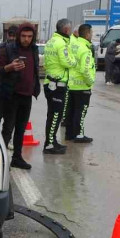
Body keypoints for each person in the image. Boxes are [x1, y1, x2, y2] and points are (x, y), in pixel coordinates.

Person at [0, 23, 41, 170]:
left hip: (27, 95)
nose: (26, 39)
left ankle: (17, 158)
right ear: (19, 35)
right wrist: (9, 67)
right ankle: (0, 159)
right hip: (11, 94)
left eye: (29, 36)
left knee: (21, 129)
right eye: (24, 36)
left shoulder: (34, 49)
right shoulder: (6, 49)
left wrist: (34, 87)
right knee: (8, 128)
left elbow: (35, 71)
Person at [43, 19, 77, 155]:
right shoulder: (61, 43)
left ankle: (52, 141)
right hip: (57, 85)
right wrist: (74, 60)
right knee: (55, 115)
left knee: (53, 115)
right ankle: (50, 144)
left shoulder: (51, 41)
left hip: (51, 83)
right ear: (67, 30)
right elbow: (68, 62)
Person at [66, 24, 97, 144]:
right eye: (91, 33)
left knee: (71, 111)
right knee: (81, 112)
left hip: (72, 84)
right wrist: (90, 81)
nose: (92, 35)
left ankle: (69, 134)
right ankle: (79, 135)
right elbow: (85, 69)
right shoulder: (85, 49)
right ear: (88, 34)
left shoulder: (73, 45)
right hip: (82, 86)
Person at [0, 25, 20, 125]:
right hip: (1, 88)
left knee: (11, 121)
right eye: (10, 35)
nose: (12, 38)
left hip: (16, 91)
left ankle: (5, 140)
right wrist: (8, 68)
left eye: (14, 35)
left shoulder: (21, 49)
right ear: (7, 35)